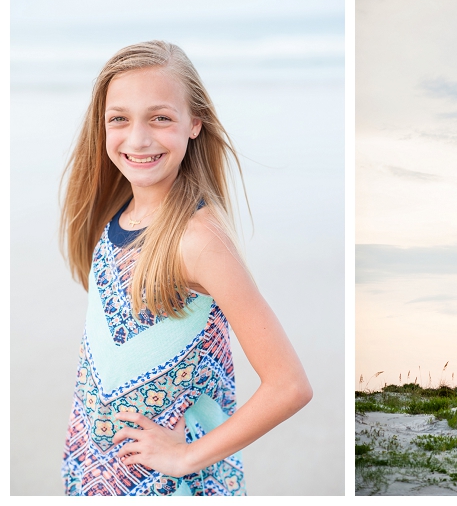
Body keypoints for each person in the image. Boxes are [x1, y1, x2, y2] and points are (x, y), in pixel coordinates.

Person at [59, 40, 313, 496]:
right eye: (119, 118)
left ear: (194, 124)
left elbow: (289, 385)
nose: (137, 139)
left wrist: (183, 456)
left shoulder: (198, 240)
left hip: (168, 486)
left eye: (160, 117)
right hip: (98, 473)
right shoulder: (118, 213)